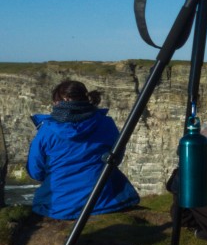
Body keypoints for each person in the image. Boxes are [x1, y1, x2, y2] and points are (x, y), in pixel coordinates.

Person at [27, 80, 139, 220]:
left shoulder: (47, 131)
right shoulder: (106, 123)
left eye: (55, 100)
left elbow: (35, 171)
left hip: (60, 206)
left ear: (64, 100)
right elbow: (116, 158)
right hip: (102, 200)